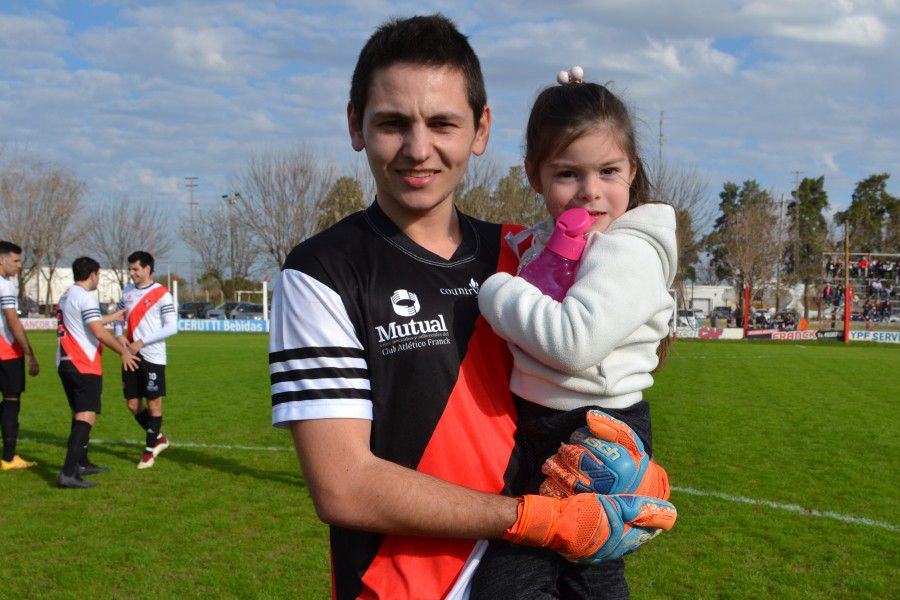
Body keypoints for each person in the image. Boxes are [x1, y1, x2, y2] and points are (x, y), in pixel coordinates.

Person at [269, 15, 673, 599]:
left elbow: (628, 345)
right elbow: (344, 487)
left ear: (480, 130)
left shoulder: (525, 250)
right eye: (391, 123)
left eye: (442, 123)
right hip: (400, 586)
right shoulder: (322, 272)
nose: (418, 148)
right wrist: (535, 519)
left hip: (550, 572)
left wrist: (628, 461)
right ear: (355, 125)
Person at [472, 72, 677, 598]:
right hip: (546, 422)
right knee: (557, 573)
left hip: (593, 431)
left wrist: (497, 290)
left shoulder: (627, 251)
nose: (590, 191)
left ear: (632, 170)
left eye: (608, 170)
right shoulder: (569, 241)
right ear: (534, 176)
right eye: (568, 173)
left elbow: (573, 341)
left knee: (562, 575)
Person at [56, 256, 139, 488]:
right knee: (86, 416)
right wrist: (122, 351)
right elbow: (98, 333)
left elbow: (85, 322)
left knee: (78, 413)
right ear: (92, 275)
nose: (98, 279)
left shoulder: (67, 295)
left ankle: (81, 463)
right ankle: (68, 472)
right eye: (99, 275)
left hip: (65, 362)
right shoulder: (86, 297)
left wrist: (112, 317)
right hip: (83, 363)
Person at [113, 251, 177, 469]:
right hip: (130, 355)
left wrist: (142, 341)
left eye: (135, 269)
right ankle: (158, 438)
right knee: (132, 404)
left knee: (154, 403)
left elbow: (172, 327)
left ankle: (148, 452)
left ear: (148, 269)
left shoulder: (162, 294)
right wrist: (119, 335)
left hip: (153, 356)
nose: (132, 273)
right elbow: (119, 320)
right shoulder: (127, 291)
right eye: (130, 269)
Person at [0, 241, 40, 471]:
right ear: (1, 260)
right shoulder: (5, 286)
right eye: (15, 260)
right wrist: (29, 353)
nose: (19, 265)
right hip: (6, 350)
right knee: (12, 402)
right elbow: (12, 320)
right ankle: (9, 458)